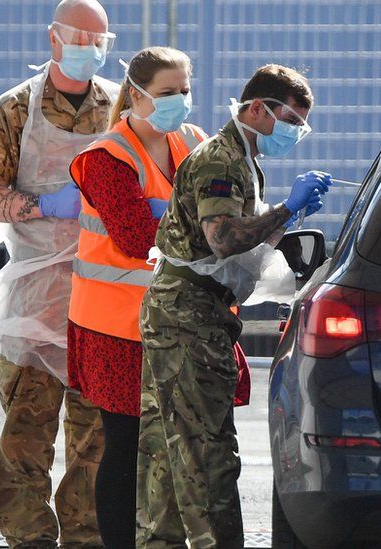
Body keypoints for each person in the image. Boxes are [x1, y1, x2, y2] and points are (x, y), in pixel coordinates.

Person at [137, 64, 328, 547]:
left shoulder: (241, 160)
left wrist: (287, 215)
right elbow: (222, 238)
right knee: (206, 456)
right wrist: (287, 210)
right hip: (188, 318)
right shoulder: (221, 160)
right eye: (291, 120)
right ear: (258, 108)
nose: (295, 133)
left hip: (186, 314)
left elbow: (236, 238)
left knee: (166, 454)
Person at [0, 1, 118, 547]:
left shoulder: (119, 107)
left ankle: (85, 536)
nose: (93, 50)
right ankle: (28, 539)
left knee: (94, 436)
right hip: (36, 296)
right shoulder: (14, 109)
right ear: (54, 39)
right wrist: (42, 206)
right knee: (26, 434)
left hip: (101, 294)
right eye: (82, 38)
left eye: (102, 40)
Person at [66, 46, 206, 549]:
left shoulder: (192, 140)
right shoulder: (106, 156)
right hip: (117, 330)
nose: (181, 103)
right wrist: (214, 232)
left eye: (186, 91)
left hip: (181, 322)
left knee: (182, 448)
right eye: (169, 93)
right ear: (139, 93)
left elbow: (226, 207)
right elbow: (135, 237)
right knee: (125, 447)